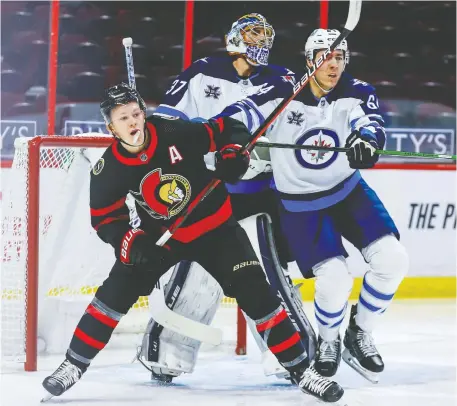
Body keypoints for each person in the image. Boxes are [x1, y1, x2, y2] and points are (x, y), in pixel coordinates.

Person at [41, 83, 344, 404]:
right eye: (122, 118)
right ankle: (72, 365)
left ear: (143, 114)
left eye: (135, 114)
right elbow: (104, 218)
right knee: (113, 294)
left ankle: (303, 372)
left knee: (258, 295)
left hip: (216, 229)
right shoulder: (109, 168)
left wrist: (231, 153)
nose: (132, 123)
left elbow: (230, 128)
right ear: (110, 126)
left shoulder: (173, 132)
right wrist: (129, 241)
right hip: (159, 240)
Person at [213, 28, 409, 383]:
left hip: (349, 192)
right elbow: (236, 115)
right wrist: (234, 143)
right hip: (301, 203)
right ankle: (329, 341)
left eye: (339, 57)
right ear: (309, 60)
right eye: (324, 57)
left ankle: (359, 333)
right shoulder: (282, 92)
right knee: (334, 278)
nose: (333, 65)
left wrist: (367, 142)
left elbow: (372, 124)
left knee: (393, 260)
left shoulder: (357, 91)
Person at [141, 13, 315, 383]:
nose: (261, 41)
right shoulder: (202, 71)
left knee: (261, 271)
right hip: (207, 190)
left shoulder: (282, 78)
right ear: (233, 38)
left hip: (255, 191)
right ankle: (166, 353)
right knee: (197, 271)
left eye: (266, 34)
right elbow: (167, 121)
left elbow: (264, 114)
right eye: (253, 34)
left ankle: (293, 352)